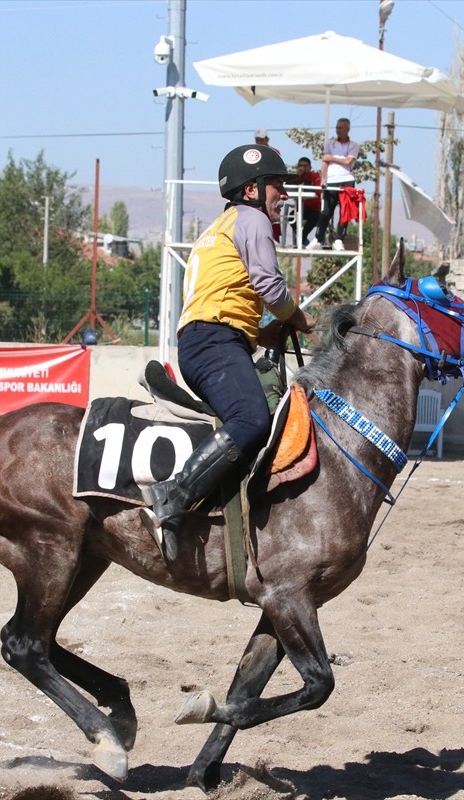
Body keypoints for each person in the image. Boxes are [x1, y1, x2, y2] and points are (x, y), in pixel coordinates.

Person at [141, 144, 315, 563]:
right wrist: (300, 318)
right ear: (253, 190)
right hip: (213, 341)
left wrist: (270, 332)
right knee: (252, 419)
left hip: (215, 339)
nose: (285, 196)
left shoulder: (224, 224)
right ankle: (171, 496)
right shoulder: (252, 219)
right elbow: (270, 288)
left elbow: (234, 302)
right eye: (277, 186)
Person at [312, 117, 359, 251]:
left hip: (347, 179)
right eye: (337, 127)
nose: (338, 130)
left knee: (345, 211)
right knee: (326, 210)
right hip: (332, 179)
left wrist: (331, 158)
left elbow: (348, 161)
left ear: (347, 129)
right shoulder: (329, 144)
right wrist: (323, 178)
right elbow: (324, 161)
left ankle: (339, 239)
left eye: (341, 127)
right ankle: (318, 238)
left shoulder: (354, 145)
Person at [290, 157, 323, 248]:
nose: (302, 168)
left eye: (305, 166)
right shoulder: (297, 177)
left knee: (315, 217)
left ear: (310, 167)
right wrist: (298, 177)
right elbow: (289, 185)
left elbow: (318, 192)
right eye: (300, 166)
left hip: (314, 208)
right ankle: (302, 239)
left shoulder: (315, 177)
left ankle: (302, 238)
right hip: (301, 208)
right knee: (291, 217)